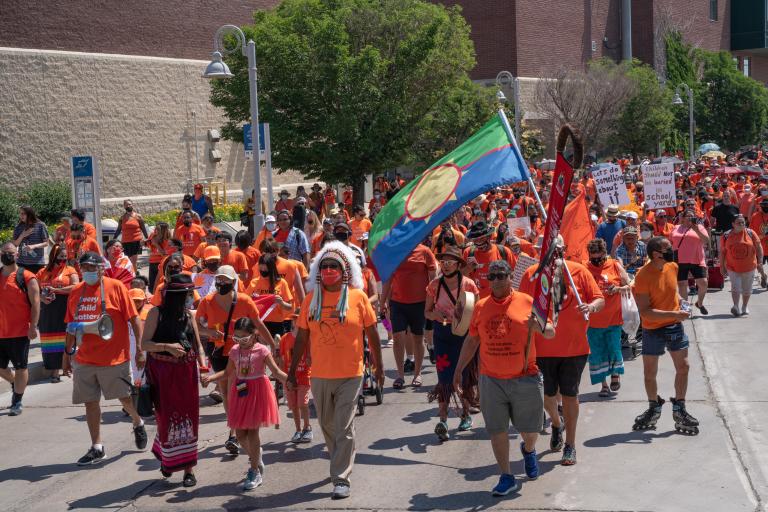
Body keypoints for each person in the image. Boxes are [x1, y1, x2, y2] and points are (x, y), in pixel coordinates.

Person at [287, 241, 382, 500]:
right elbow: (301, 338)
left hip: (351, 373)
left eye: (334, 266)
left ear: (345, 270)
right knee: (328, 425)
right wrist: (292, 369)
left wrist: (379, 366)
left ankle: (341, 477)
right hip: (320, 374)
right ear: (319, 270)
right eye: (325, 265)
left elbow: (372, 334)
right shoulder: (311, 300)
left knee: (344, 425)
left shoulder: (358, 297)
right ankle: (342, 453)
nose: (329, 270)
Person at [454, 260, 555, 496]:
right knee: (496, 429)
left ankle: (528, 451)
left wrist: (538, 326)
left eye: (501, 276)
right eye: (492, 277)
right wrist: (458, 369)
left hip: (525, 377)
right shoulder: (480, 306)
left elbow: (551, 332)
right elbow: (472, 340)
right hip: (491, 379)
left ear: (510, 277)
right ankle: (506, 475)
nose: (496, 281)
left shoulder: (527, 302)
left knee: (531, 430)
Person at [519, 241, 605, 466]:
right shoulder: (531, 274)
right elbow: (520, 306)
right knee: (546, 397)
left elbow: (599, 299)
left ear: (563, 251)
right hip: (542, 348)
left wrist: (591, 307)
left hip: (574, 348)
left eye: (557, 251)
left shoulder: (578, 270)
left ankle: (570, 445)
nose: (553, 255)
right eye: (548, 250)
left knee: (570, 395)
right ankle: (556, 422)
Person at [62, 252, 148, 464]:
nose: (89, 272)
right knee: (90, 403)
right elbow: (71, 326)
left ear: (102, 268)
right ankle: (97, 446)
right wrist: (67, 355)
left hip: (114, 358)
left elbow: (134, 320)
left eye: (93, 268)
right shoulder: (75, 292)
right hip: (84, 359)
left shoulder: (116, 287)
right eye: (85, 268)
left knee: (125, 399)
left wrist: (139, 348)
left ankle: (137, 422)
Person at [196, 265, 274, 455]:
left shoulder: (245, 301)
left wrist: (273, 345)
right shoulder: (207, 301)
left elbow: (258, 324)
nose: (221, 283)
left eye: (226, 281)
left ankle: (234, 433)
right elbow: (197, 325)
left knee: (234, 390)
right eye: (219, 280)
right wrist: (209, 332)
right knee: (225, 392)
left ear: (233, 282)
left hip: (242, 353)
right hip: (218, 352)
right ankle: (234, 426)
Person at [204, 317, 286, 491]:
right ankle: (256, 456)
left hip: (258, 393)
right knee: (240, 436)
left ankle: (254, 470)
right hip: (240, 393)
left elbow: (276, 372)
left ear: (254, 334)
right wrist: (210, 377)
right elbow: (227, 373)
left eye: (244, 338)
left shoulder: (263, 351)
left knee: (253, 432)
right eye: (236, 338)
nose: (240, 342)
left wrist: (291, 380)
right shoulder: (234, 351)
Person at [141, 273, 206, 487]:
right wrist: (167, 347)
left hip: (186, 374)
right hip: (162, 374)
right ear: (177, 296)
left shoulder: (189, 316)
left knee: (189, 419)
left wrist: (203, 367)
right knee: (166, 418)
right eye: (187, 294)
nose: (190, 297)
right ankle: (168, 459)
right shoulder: (155, 313)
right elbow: (145, 344)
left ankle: (189, 470)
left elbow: (198, 345)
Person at [632, 236, 699, 435]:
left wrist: (682, 303)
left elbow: (674, 292)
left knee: (684, 367)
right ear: (656, 254)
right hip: (653, 328)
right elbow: (645, 311)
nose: (672, 250)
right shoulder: (642, 275)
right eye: (667, 248)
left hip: (674, 326)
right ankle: (654, 406)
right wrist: (675, 314)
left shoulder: (673, 267)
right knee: (650, 372)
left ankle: (680, 408)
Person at [424, 246, 479, 441]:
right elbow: (426, 312)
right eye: (443, 262)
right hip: (443, 336)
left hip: (464, 336)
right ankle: (443, 420)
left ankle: (465, 415)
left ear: (458, 264)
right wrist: (434, 315)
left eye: (450, 262)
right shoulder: (434, 285)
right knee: (444, 378)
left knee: (465, 376)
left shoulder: (469, 285)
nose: (446, 266)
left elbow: (477, 311)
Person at [381, 242, 436, 389]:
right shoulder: (394, 252)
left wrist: (433, 302)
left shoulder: (425, 252)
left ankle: (417, 374)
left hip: (419, 303)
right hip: (398, 303)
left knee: (418, 339)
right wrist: (382, 304)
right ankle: (400, 376)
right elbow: (388, 280)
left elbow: (433, 279)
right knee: (398, 338)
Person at [584, 238, 631, 396]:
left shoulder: (615, 265)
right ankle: (603, 385)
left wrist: (617, 289)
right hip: (593, 321)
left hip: (613, 318)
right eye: (593, 256)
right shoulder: (584, 268)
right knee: (597, 353)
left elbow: (629, 284)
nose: (596, 259)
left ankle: (615, 375)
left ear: (605, 253)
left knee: (613, 348)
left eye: (599, 255)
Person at [0, 242, 40, 415]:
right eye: (4, 252)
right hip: (1, 331)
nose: (7, 255)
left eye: (10, 253)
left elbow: (36, 304)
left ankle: (17, 400)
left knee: (21, 367)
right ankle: (17, 383)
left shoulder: (27, 277)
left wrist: (33, 326)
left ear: (17, 255)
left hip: (20, 331)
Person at [36, 244, 79, 383]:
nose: (63, 260)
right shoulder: (42, 272)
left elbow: (75, 286)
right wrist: (42, 298)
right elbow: (34, 289)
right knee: (50, 339)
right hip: (47, 309)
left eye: (65, 257)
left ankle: (67, 366)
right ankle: (54, 369)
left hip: (65, 307)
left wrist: (56, 290)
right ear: (53, 257)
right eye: (61, 257)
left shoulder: (70, 270)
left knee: (65, 337)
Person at [720, 214, 765, 316]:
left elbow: (759, 247)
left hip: (749, 267)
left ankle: (744, 306)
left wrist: (760, 262)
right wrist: (721, 266)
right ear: (733, 224)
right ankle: (736, 306)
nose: (741, 224)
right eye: (738, 223)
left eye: (743, 223)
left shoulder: (750, 233)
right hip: (733, 267)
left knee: (747, 289)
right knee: (735, 287)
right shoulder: (726, 235)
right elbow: (722, 252)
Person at [670, 209, 710, 315]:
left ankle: (699, 303)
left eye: (692, 216)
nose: (689, 218)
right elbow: (670, 241)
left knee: (703, 283)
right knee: (682, 284)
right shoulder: (676, 228)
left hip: (696, 259)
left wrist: (695, 229)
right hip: (680, 259)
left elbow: (706, 240)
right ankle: (685, 307)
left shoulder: (700, 227)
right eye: (687, 216)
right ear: (682, 218)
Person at [245, 253, 294, 336]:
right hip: (259, 323)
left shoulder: (281, 283)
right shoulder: (254, 282)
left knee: (276, 347)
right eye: (261, 269)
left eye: (265, 269)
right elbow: (246, 303)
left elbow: (290, 307)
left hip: (277, 323)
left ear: (271, 268)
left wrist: (281, 303)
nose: (263, 271)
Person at [463, 221, 515, 298]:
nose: (479, 242)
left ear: (489, 236)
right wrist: (467, 269)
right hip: (478, 300)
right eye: (475, 239)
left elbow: (514, 275)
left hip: (501, 299)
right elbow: (462, 278)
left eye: (482, 238)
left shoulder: (504, 252)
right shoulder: (468, 252)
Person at [280, 323, 313, 444]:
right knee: (293, 406)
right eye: (294, 319)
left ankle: (307, 427)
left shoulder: (307, 337)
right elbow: (282, 359)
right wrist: (283, 377)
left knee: (302, 403)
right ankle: (298, 430)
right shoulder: (285, 338)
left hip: (304, 376)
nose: (296, 322)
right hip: (289, 377)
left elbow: (310, 359)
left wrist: (310, 358)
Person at [12, 205, 49, 273]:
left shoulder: (40, 225)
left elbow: (46, 243)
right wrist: (23, 235)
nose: (21, 215)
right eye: (20, 213)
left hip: (37, 263)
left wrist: (34, 246)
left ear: (30, 214)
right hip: (21, 263)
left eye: (23, 213)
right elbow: (15, 244)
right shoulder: (18, 227)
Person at [113, 199, 148, 270]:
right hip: (125, 242)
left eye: (129, 204)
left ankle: (135, 277)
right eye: (126, 205)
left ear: (132, 205)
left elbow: (143, 229)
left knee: (133, 261)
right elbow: (119, 230)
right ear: (124, 206)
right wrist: (113, 240)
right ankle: (132, 275)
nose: (128, 206)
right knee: (128, 261)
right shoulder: (122, 218)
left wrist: (147, 239)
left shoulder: (138, 216)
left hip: (136, 241)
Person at [147, 221, 171, 291]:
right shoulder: (152, 235)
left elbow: (164, 254)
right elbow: (148, 245)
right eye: (155, 228)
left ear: (162, 231)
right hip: (152, 262)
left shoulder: (167, 240)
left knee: (160, 284)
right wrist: (144, 243)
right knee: (151, 286)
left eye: (157, 229)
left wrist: (156, 244)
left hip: (161, 263)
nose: (155, 230)